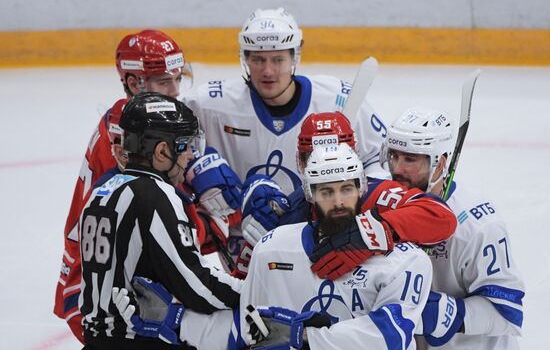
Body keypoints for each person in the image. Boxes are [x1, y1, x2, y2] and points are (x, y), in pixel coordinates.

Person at [111, 144, 434, 349]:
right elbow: (250, 328)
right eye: (326, 192)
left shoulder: (405, 261)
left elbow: (391, 335)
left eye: (346, 189)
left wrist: (303, 336)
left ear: (361, 190)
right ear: (309, 194)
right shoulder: (273, 247)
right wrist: (178, 320)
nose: (337, 202)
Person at [54, 29, 192, 343]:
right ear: (134, 84)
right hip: (99, 286)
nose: (175, 91)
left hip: (116, 272)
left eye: (177, 79)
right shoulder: (127, 133)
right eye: (164, 82)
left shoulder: (143, 120)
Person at [79, 93, 246, 349]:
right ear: (162, 151)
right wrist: (252, 291)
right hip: (138, 340)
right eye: (186, 145)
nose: (191, 155)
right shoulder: (156, 195)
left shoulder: (102, 191)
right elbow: (197, 287)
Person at [182, 7, 388, 197]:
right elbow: (166, 141)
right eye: (258, 60)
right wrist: (198, 169)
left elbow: (380, 159)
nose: (268, 71)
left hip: (318, 230)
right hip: (238, 234)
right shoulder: (209, 104)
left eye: (278, 60)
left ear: (294, 56)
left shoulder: (337, 99)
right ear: (245, 58)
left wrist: (359, 197)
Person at [236, 111, 458, 280]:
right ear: (300, 163)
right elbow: (244, 291)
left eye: (339, 156)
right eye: (313, 158)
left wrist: (371, 233)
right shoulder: (281, 214)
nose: (327, 168)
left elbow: (440, 217)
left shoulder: (375, 194)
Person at [380, 106, 525, 349]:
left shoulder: (478, 226)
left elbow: (508, 312)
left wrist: (452, 314)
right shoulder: (386, 206)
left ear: (440, 163)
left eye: (410, 159)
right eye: (394, 156)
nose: (397, 169)